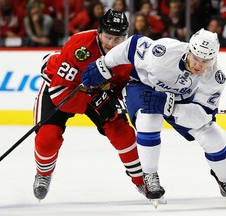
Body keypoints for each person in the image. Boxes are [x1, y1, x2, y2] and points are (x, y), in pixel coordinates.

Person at [81, 28, 226, 208]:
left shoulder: (215, 77)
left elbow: (201, 116)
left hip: (180, 101)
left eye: (206, 61)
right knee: (149, 118)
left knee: (213, 136)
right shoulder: (164, 51)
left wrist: (172, 107)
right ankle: (149, 176)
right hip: (144, 86)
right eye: (196, 58)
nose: (199, 65)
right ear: (189, 50)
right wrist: (104, 64)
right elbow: (132, 46)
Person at [32, 9, 145, 201]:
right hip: (60, 86)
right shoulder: (80, 45)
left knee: (122, 132)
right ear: (99, 32)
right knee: (47, 139)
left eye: (118, 39)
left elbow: (123, 89)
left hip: (96, 92)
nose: (112, 43)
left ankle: (141, 180)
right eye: (108, 37)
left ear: (125, 37)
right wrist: (96, 100)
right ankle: (43, 174)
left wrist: (126, 106)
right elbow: (60, 94)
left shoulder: (129, 56)